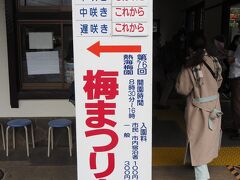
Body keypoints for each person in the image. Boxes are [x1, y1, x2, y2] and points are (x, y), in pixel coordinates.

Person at [176, 33, 223, 180]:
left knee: (197, 137)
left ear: (190, 48)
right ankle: (197, 160)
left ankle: (202, 175)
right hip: (215, 105)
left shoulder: (190, 65)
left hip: (198, 109)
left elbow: (182, 89)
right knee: (206, 138)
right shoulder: (214, 61)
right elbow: (219, 81)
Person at [227, 35, 240, 140]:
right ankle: (236, 126)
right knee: (235, 103)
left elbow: (237, 61)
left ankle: (237, 129)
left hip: (237, 76)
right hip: (235, 76)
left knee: (236, 103)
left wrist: (231, 59)